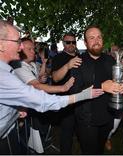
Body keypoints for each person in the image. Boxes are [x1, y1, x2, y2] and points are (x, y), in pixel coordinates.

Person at [0, 20, 104, 154]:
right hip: (63, 102)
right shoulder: (4, 75)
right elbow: (41, 96)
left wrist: (14, 111)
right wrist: (76, 92)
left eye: (73, 42)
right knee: (65, 131)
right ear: (1, 45)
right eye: (17, 42)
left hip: (80, 107)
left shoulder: (7, 70)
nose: (20, 48)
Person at [70, 25, 123, 154]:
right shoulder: (78, 62)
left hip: (107, 117)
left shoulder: (110, 60)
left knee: (100, 150)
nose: (96, 41)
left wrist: (121, 87)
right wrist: (101, 86)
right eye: (92, 38)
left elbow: (116, 82)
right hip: (87, 121)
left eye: (99, 37)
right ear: (85, 42)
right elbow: (74, 91)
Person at [13, 37, 75, 153]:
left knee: (41, 129)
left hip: (35, 105)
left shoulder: (32, 64)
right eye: (29, 49)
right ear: (20, 50)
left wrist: (44, 64)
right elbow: (35, 85)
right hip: (25, 111)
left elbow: (39, 78)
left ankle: (42, 145)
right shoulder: (19, 67)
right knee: (27, 137)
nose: (33, 51)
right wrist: (63, 88)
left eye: (33, 49)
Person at [51, 33, 81, 154]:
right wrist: (68, 66)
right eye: (68, 42)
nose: (71, 45)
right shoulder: (58, 58)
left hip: (81, 100)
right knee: (67, 132)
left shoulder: (80, 56)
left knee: (82, 131)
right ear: (63, 44)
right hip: (66, 101)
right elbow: (55, 78)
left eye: (73, 42)